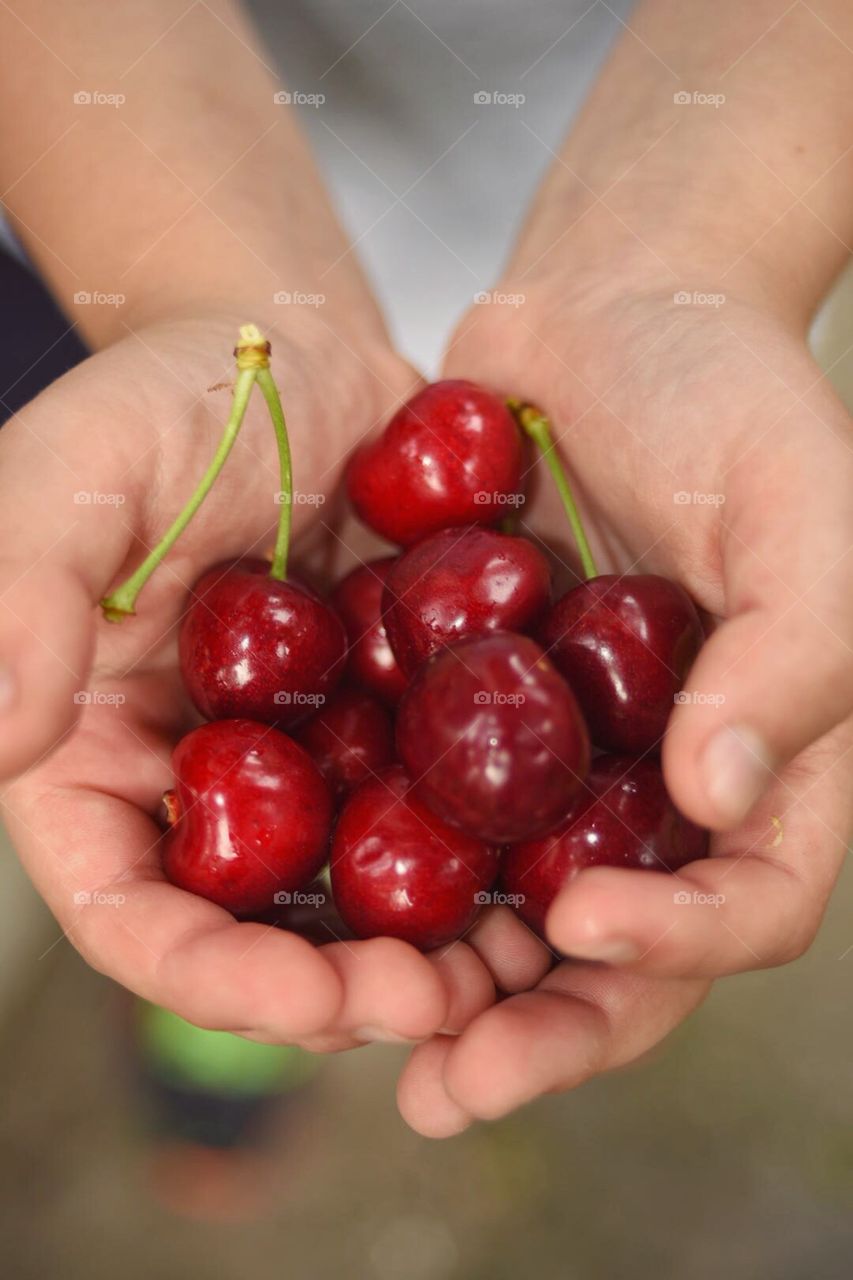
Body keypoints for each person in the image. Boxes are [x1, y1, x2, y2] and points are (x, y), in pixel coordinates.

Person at [0, 0, 851, 1140]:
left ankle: (224, 1089)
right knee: (268, 972)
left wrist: (692, 257)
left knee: (300, 966)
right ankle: (216, 1079)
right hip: (138, 187)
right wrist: (200, 295)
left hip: (686, 156)